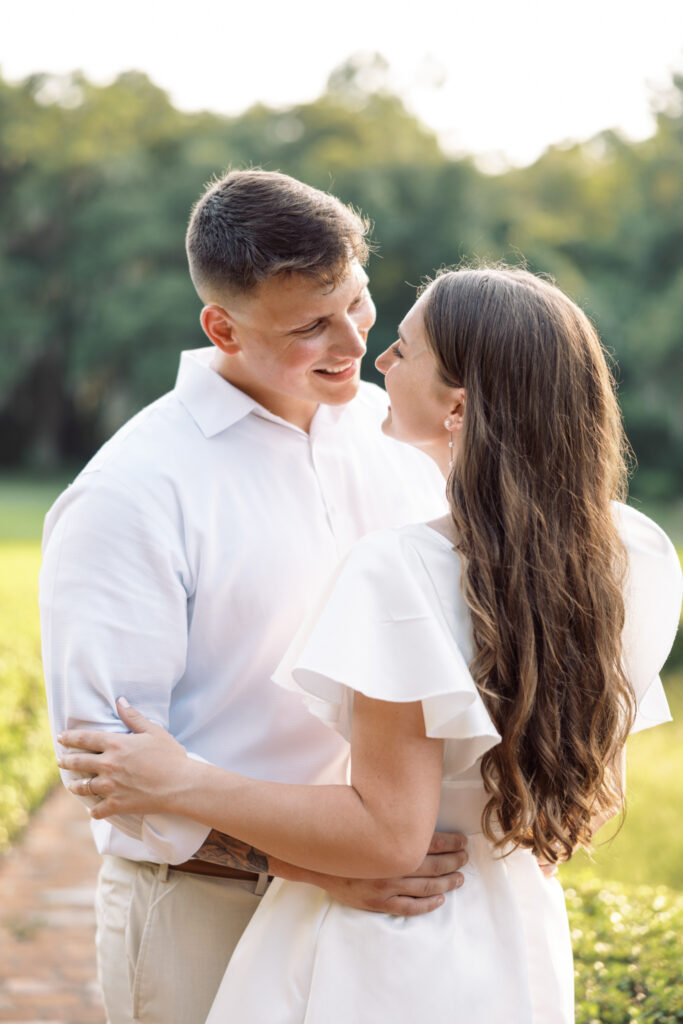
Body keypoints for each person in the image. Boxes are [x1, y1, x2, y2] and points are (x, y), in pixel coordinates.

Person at [57, 266, 683, 1023]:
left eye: (397, 344)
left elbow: (388, 837)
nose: (374, 357)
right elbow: (590, 784)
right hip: (512, 923)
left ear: (457, 406)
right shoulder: (631, 550)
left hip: (390, 933)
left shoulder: (400, 568)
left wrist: (177, 779)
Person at [40, 169, 470, 1024]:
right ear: (221, 326)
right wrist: (315, 862)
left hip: (392, 909)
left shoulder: (402, 445)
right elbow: (107, 766)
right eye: (310, 326)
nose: (351, 341)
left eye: (357, 303)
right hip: (206, 912)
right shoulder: (131, 492)